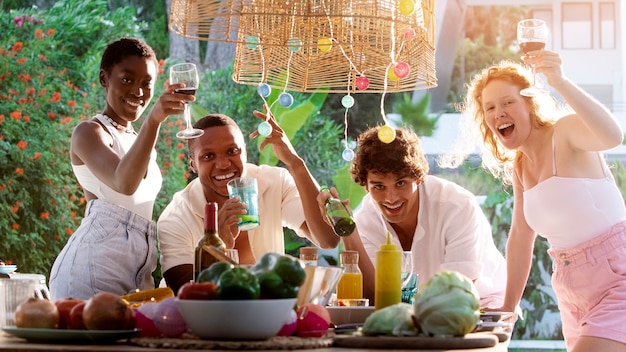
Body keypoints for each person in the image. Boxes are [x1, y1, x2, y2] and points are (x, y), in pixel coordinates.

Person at [451, 49, 626, 351]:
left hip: (616, 275)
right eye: (490, 107)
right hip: (570, 287)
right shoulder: (520, 166)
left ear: (529, 104)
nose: (498, 113)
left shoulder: (566, 132)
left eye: (508, 102)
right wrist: (508, 308)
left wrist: (559, 80)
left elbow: (612, 137)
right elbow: (520, 237)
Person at [49, 38, 188, 300]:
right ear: (104, 78)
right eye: (127, 79)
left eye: (146, 83)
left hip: (138, 274)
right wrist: (154, 121)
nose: (138, 91)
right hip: (91, 271)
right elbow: (123, 183)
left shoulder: (140, 143)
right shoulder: (89, 132)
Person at [318, 126, 507, 308]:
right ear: (366, 187)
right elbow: (375, 298)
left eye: (401, 183)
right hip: (415, 313)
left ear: (418, 178)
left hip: (483, 305)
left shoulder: (457, 206)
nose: (391, 198)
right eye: (379, 186)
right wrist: (349, 234)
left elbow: (459, 291)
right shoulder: (367, 219)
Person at [157, 112, 340, 294]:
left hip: (267, 315)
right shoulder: (175, 218)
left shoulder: (275, 182)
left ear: (245, 152)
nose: (222, 164)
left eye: (232, 151)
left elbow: (328, 239)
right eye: (208, 156)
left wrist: (295, 164)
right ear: (193, 164)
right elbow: (185, 291)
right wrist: (218, 248)